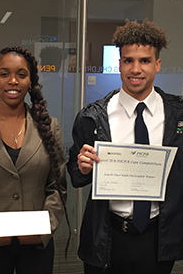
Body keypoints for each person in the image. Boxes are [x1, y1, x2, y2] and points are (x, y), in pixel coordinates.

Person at [67, 19, 183, 274]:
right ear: (119, 64)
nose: (136, 69)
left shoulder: (177, 116)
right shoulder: (92, 117)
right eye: (128, 60)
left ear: (157, 64)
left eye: (145, 60)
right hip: (107, 236)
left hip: (157, 237)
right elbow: (76, 176)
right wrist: (82, 167)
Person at [0, 46, 67, 274]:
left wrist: (45, 229)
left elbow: (57, 187)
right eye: (4, 74)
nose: (13, 81)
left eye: (21, 74)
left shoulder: (49, 126)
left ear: (30, 81)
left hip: (36, 241)